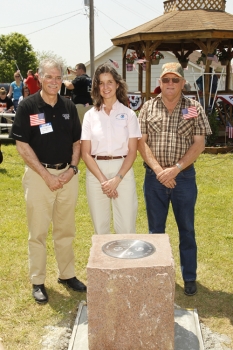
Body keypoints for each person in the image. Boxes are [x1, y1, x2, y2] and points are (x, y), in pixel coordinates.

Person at [10, 57, 86, 304]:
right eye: (49, 77)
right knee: (38, 232)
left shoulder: (69, 106)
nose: (54, 81)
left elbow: (77, 142)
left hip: (67, 176)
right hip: (38, 177)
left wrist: (72, 169)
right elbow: (21, 144)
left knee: (65, 230)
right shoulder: (28, 106)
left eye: (58, 77)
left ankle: (67, 275)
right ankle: (38, 281)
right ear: (40, 78)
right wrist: (45, 175)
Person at [138, 62, 212, 296]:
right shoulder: (148, 108)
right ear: (159, 83)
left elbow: (199, 143)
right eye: (166, 80)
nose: (170, 84)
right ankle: (155, 274)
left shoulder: (193, 108)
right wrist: (160, 171)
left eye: (175, 80)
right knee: (155, 231)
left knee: (187, 230)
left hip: (184, 179)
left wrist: (176, 169)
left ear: (182, 83)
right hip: (154, 179)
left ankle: (189, 276)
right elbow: (141, 142)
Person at [81, 63, 141, 235]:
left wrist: (116, 179)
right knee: (100, 229)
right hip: (95, 172)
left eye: (109, 82)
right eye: (101, 83)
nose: (105, 87)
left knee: (127, 228)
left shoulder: (129, 115)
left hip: (122, 170)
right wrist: (103, 181)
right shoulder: (90, 116)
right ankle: (104, 262)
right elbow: (85, 153)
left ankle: (126, 262)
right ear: (96, 87)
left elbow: (132, 151)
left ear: (117, 84)